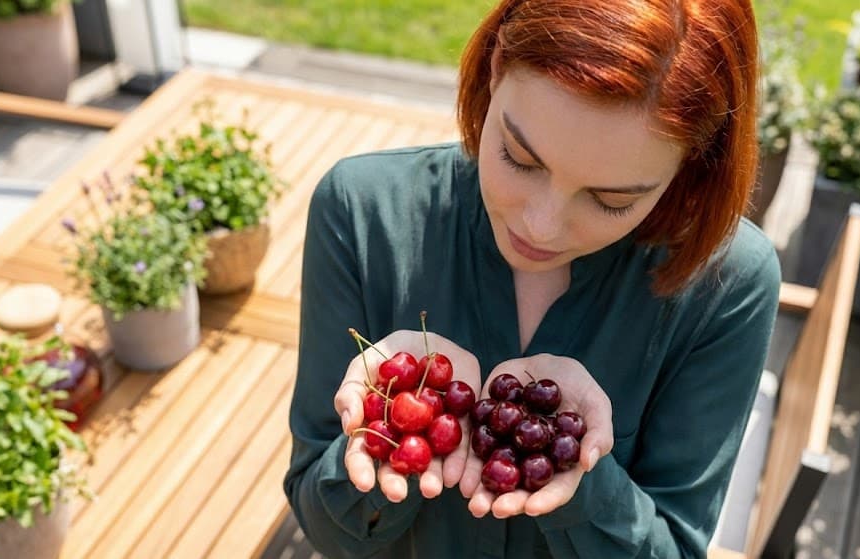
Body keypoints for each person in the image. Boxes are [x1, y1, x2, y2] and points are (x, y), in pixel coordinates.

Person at [283, 0, 779, 557]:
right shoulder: (362, 211)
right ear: (495, 68)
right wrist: (393, 429)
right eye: (519, 158)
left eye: (610, 199)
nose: (540, 226)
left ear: (692, 162)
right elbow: (322, 523)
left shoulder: (727, 284)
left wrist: (577, 467)